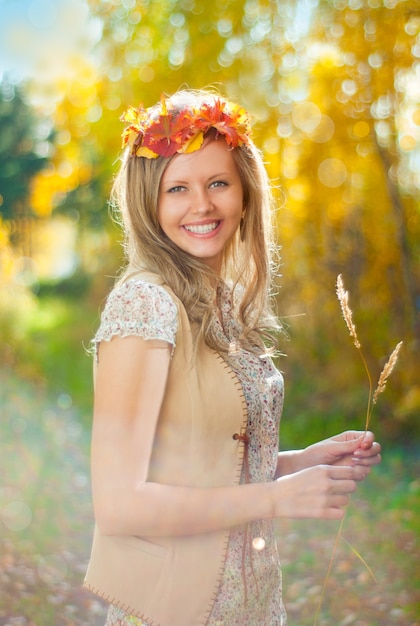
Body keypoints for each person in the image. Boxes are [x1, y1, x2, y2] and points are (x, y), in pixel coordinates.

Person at [84, 89, 381, 626]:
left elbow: (205, 464)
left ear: (245, 191)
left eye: (217, 182)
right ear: (150, 203)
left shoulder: (222, 302)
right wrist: (275, 497)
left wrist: (304, 462)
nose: (202, 205)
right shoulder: (145, 302)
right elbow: (119, 506)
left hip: (255, 603)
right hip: (176, 610)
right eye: (178, 189)